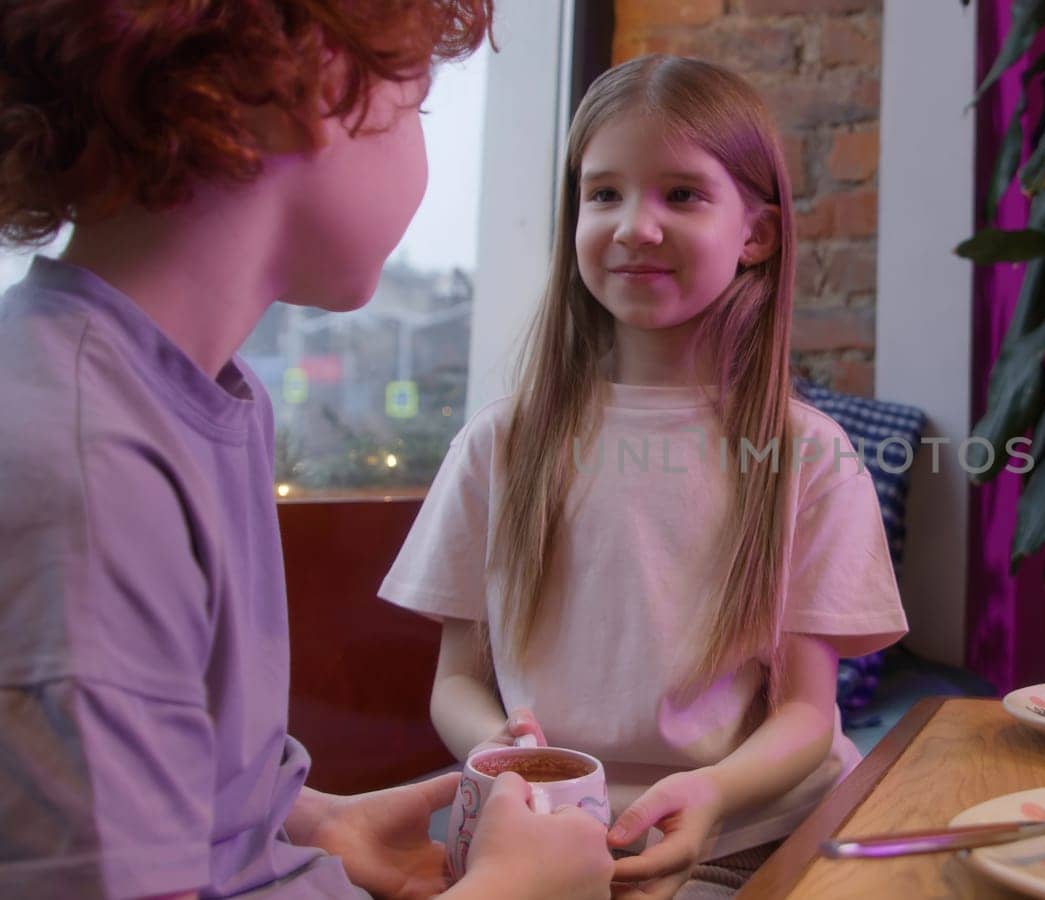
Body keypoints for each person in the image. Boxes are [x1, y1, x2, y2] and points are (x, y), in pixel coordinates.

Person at [0, 2, 614, 898]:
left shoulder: (198, 398)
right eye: (417, 107)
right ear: (314, 80)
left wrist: (312, 821)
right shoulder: (89, 465)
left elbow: (170, 790)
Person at [379, 54, 909, 899]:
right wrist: (505, 758)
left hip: (748, 835)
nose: (635, 226)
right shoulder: (500, 444)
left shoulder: (808, 456)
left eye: (682, 194)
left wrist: (712, 794)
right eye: (604, 194)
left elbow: (808, 716)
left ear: (757, 235)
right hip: (537, 838)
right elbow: (456, 685)